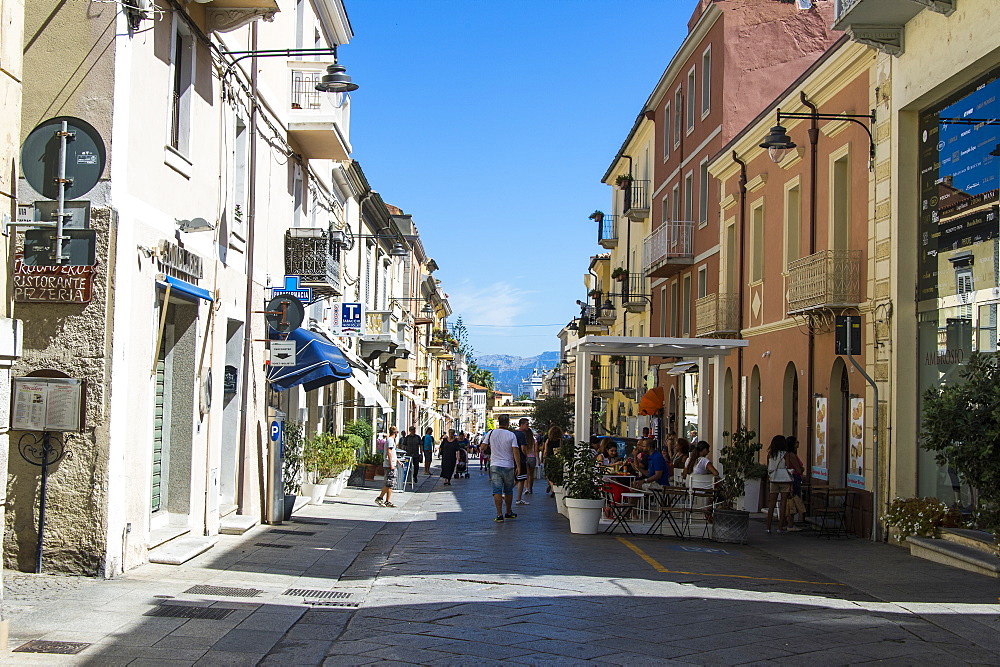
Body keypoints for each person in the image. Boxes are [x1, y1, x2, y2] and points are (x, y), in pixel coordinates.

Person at [485, 415, 522, 522]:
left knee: (496, 490)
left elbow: (482, 447)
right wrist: (518, 466)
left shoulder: (491, 433)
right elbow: (515, 451)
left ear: (498, 422)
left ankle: (499, 514)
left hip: (495, 465)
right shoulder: (511, 435)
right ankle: (508, 512)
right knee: (508, 490)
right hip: (508, 465)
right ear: (508, 423)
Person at [766, 435, 795, 533]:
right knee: (783, 504)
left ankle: (768, 527)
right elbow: (787, 466)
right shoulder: (785, 454)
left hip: (773, 480)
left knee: (771, 504)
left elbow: (768, 467)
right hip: (784, 480)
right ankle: (780, 527)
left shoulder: (770, 454)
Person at [784, 436, 806, 530]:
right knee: (794, 501)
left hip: (793, 478)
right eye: (796, 442)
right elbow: (798, 469)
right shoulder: (792, 455)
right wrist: (802, 469)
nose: (798, 443)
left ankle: (789, 523)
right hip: (795, 478)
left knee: (791, 501)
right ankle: (790, 524)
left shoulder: (788, 454)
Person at [375, 426, 399, 507]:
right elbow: (389, 452)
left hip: (391, 463)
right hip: (389, 465)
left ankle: (388, 501)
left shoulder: (391, 440)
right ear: (395, 433)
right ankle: (379, 498)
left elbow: (393, 453)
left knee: (390, 484)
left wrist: (397, 461)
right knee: (388, 483)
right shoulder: (390, 440)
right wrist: (391, 464)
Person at [514, 418, 534, 505]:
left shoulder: (513, 433)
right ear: (521, 425)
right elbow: (523, 448)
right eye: (527, 424)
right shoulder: (522, 435)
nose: (528, 426)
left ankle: (512, 494)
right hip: (521, 459)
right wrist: (525, 455)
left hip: (513, 458)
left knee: (518, 478)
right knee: (521, 479)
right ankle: (518, 498)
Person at [541, 425, 564, 495]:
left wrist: (543, 459)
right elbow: (561, 449)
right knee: (556, 474)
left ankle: (552, 486)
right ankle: (554, 487)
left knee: (547, 474)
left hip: (549, 459)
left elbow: (545, 451)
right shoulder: (560, 440)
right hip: (557, 459)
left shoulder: (548, 440)